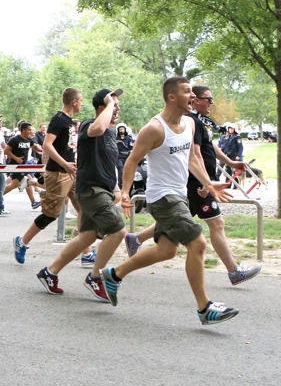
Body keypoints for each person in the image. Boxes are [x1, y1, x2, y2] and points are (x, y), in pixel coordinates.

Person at [101, 77, 238, 325]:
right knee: (197, 243)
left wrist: (208, 184)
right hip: (162, 197)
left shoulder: (189, 123)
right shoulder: (154, 129)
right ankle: (204, 308)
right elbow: (132, 161)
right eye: (187, 92)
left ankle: (114, 274)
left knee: (166, 251)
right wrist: (125, 194)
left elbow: (191, 159)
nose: (193, 97)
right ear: (172, 97)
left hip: (180, 195)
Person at [125, 86, 262, 285]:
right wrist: (205, 183)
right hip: (192, 185)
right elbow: (194, 154)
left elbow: (208, 144)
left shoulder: (195, 122)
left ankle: (125, 256)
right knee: (209, 231)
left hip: (192, 185)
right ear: (194, 100)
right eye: (207, 98)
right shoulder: (181, 122)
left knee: (167, 247)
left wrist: (230, 163)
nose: (211, 102)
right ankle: (230, 275)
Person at [37, 89, 127, 301]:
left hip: (103, 189)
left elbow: (108, 163)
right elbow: (98, 128)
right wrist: (108, 104)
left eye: (117, 105)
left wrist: (116, 190)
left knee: (86, 236)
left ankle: (50, 272)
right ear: (101, 108)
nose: (117, 108)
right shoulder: (89, 125)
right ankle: (95, 277)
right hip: (91, 190)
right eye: (113, 104)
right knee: (118, 231)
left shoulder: (112, 133)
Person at [14, 88, 83, 264]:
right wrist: (65, 164)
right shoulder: (59, 120)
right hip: (58, 173)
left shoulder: (68, 121)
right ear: (74, 101)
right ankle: (21, 243)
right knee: (50, 214)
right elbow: (47, 145)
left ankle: (86, 251)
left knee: (84, 209)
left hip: (71, 173)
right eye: (80, 100)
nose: (82, 103)